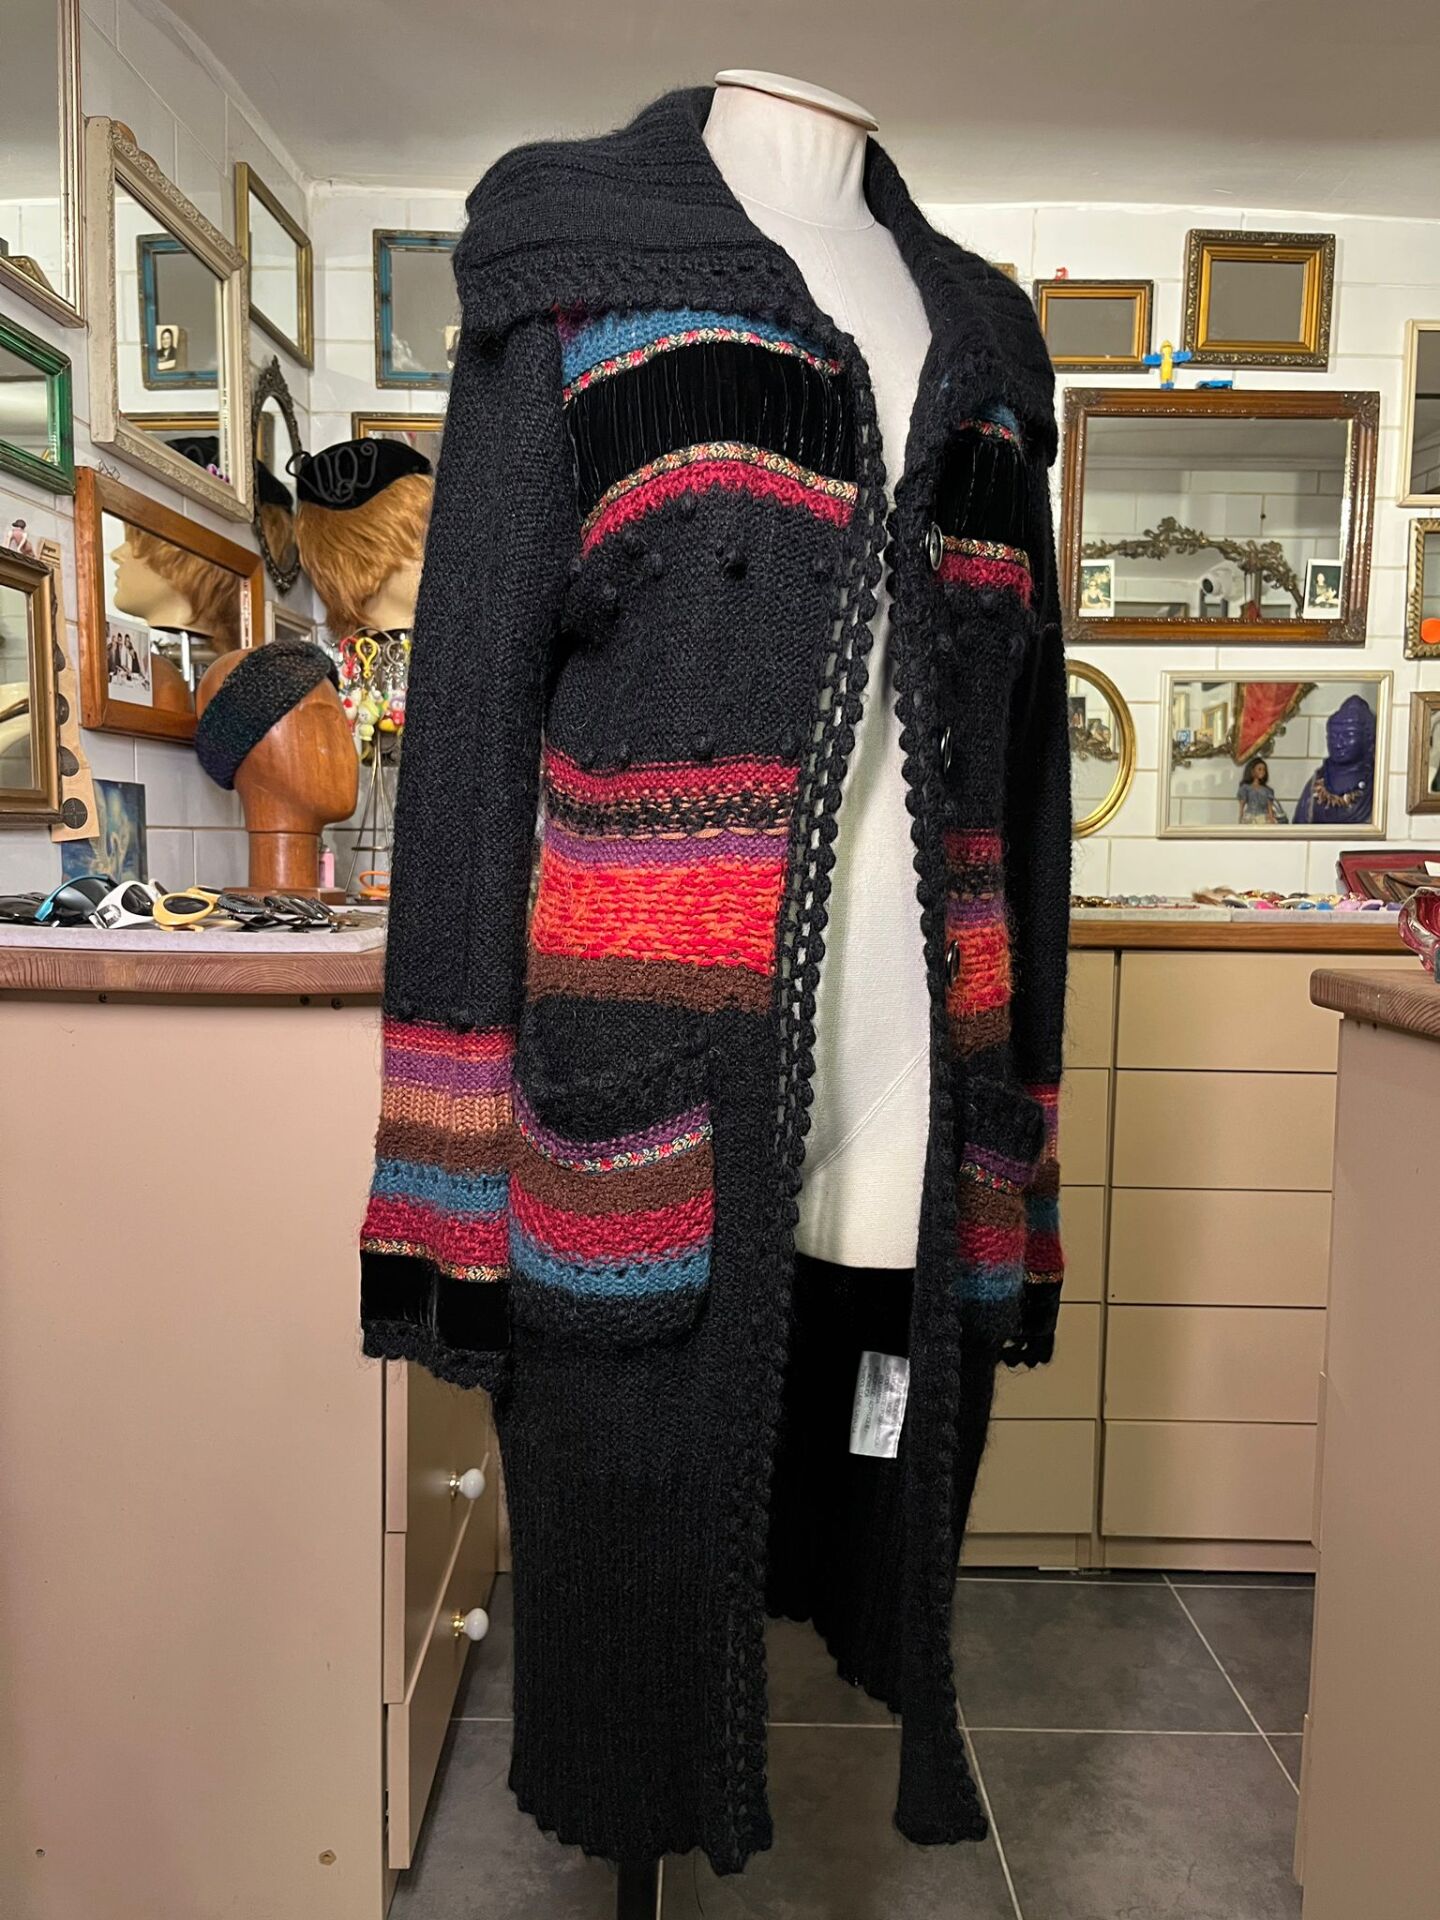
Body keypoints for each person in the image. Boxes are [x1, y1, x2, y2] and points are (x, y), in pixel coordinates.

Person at [1237, 755, 1283, 824]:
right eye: (1259, 769)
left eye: (1264, 770)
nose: (1262, 772)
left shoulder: (1268, 790)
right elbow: (1242, 805)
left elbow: (1269, 807)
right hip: (1249, 817)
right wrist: (1240, 818)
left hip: (1263, 817)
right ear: (1252, 771)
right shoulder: (1245, 788)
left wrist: (1271, 819)